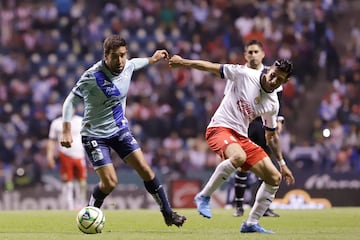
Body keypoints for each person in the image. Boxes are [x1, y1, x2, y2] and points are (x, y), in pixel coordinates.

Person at [60, 34, 186, 227]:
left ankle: (168, 214)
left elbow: (136, 63)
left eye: (123, 55)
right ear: (105, 55)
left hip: (119, 130)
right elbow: (70, 101)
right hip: (94, 135)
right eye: (115, 56)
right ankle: (90, 214)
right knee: (110, 183)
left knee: (145, 169)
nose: (120, 61)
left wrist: (153, 59)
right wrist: (66, 130)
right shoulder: (92, 76)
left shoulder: (128, 65)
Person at [169, 55, 295, 233]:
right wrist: (184, 63)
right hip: (219, 128)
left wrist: (282, 164)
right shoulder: (245, 74)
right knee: (238, 157)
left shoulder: (273, 103)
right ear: (268, 69)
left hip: (241, 138)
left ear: (285, 81)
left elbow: (271, 136)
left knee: (274, 178)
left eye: (279, 79)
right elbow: (211, 66)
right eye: (273, 75)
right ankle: (204, 196)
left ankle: (251, 223)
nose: (273, 80)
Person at [228, 40, 283, 218]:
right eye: (250, 52)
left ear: (263, 54)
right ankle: (238, 205)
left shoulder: (272, 74)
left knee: (265, 163)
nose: (253, 55)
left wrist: (279, 120)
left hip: (264, 124)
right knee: (242, 164)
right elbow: (229, 98)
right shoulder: (239, 73)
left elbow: (277, 102)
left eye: (255, 52)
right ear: (245, 55)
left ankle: (262, 207)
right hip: (244, 123)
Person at [47, 114, 87, 210]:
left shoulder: (81, 121)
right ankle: (69, 207)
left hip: (80, 155)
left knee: (82, 182)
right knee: (67, 183)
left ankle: (80, 205)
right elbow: (51, 140)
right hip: (65, 155)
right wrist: (49, 156)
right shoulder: (56, 123)